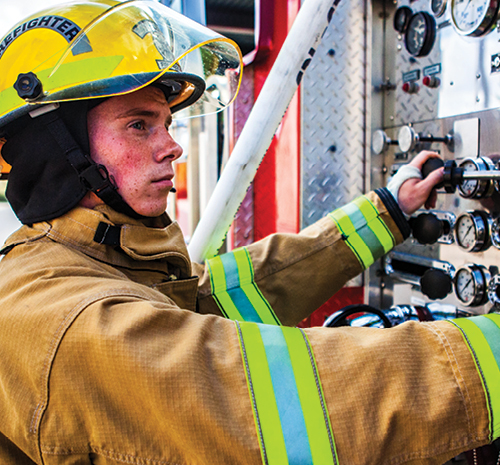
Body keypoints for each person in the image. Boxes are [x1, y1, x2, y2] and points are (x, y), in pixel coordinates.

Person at [0, 1, 497, 465]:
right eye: (139, 125)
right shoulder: (69, 323)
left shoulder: (93, 257)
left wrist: (387, 210)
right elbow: (280, 397)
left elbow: (225, 293)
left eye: (167, 124)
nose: (172, 147)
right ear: (58, 149)